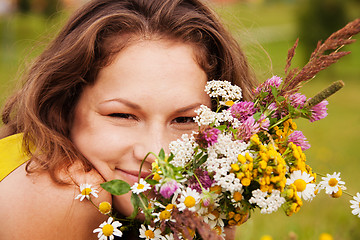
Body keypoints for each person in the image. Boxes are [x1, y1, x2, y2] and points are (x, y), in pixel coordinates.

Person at [0, 0, 256, 239]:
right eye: (122, 115)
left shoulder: (202, 195)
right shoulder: (68, 195)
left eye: (185, 120)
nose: (156, 153)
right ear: (65, 104)